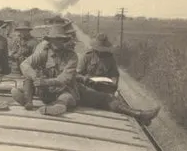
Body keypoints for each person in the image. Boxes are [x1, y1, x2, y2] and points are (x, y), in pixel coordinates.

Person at [11, 25, 160, 125]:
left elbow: (66, 78)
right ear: (50, 41)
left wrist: (46, 82)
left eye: (60, 40)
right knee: (28, 78)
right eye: (55, 40)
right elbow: (25, 64)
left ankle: (139, 114)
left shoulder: (72, 57)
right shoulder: (43, 54)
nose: (57, 43)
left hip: (62, 91)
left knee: (77, 97)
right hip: (46, 92)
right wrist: (35, 76)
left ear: (64, 41)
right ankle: (28, 101)